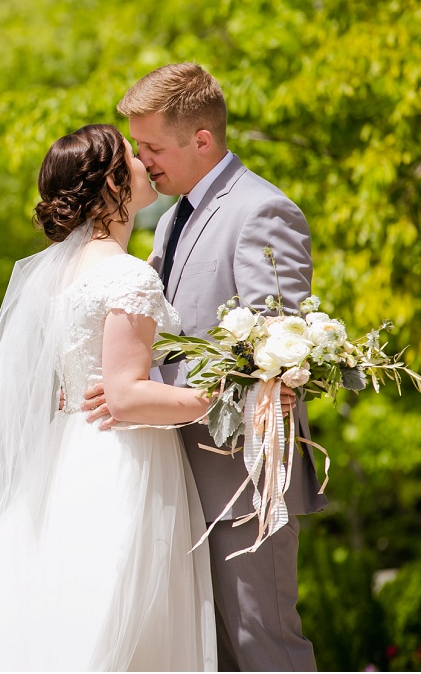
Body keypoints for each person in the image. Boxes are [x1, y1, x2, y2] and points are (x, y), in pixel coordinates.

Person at [0, 124, 217, 671]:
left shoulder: (62, 276)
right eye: (131, 157)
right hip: (121, 458)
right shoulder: (125, 275)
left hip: (67, 450)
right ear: (112, 185)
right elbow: (126, 396)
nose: (144, 161)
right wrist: (224, 393)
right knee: (116, 611)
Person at [82, 63, 327, 671]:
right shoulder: (169, 219)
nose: (140, 162)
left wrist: (143, 394)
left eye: (152, 147)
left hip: (241, 481)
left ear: (201, 139)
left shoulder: (262, 211)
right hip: (173, 477)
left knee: (263, 647)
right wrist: (120, 385)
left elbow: (278, 356)